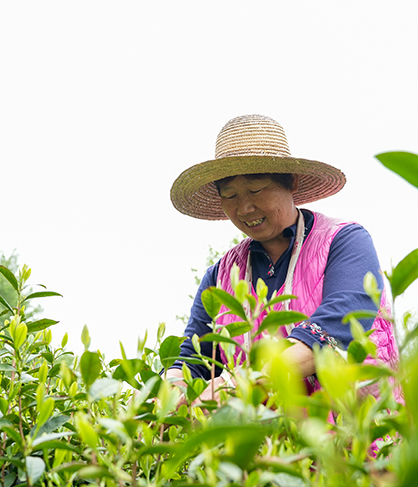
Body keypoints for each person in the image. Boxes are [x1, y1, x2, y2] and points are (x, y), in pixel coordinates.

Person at [167, 114, 397, 405]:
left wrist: (242, 384)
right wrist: (172, 388)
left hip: (357, 436)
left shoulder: (344, 242)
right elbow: (194, 357)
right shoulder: (220, 277)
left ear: (292, 182)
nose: (245, 207)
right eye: (230, 195)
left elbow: (341, 324)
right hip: (267, 445)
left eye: (256, 190)